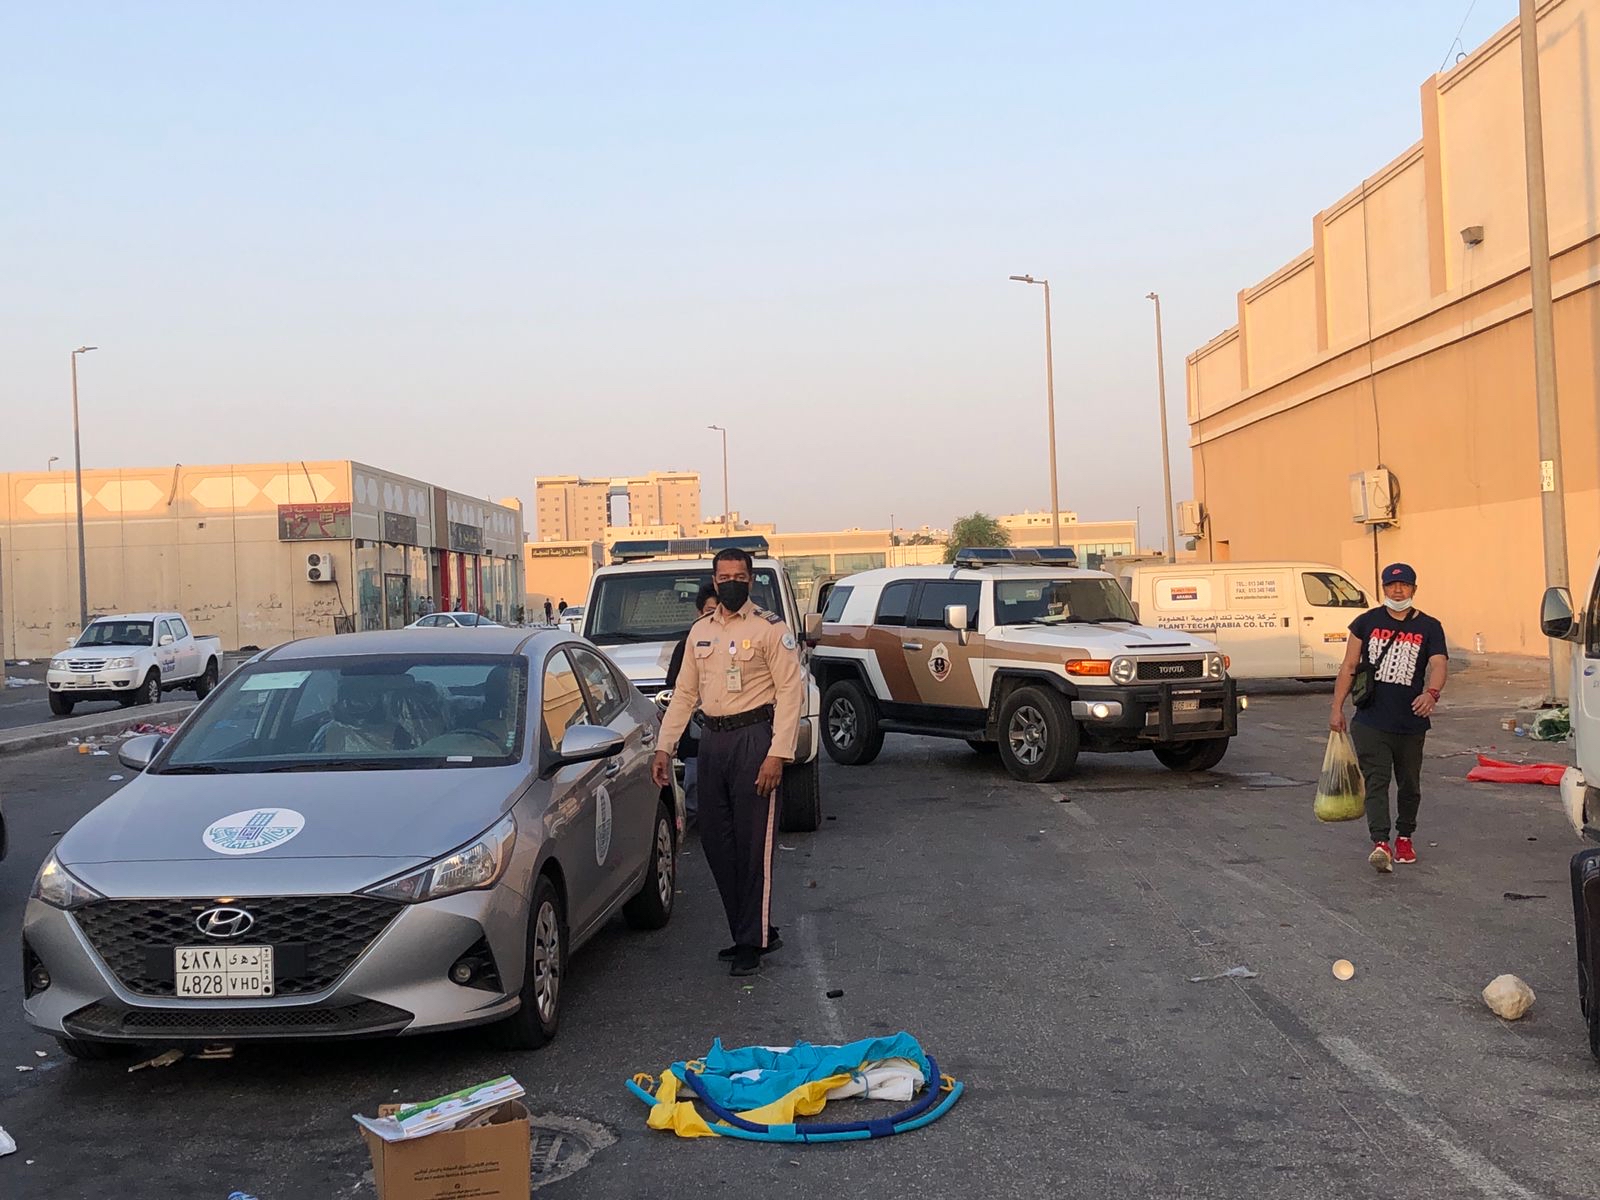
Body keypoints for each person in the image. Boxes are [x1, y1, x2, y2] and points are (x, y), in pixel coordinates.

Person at [653, 549, 806, 977]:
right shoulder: (700, 632)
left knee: (753, 845)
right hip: (712, 741)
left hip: (755, 740)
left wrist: (778, 754)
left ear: (751, 581)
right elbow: (685, 694)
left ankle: (749, 942)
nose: (732, 583)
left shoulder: (770, 629)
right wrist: (664, 747)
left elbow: (790, 693)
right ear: (715, 581)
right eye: (725, 577)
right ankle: (752, 929)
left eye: (740, 576)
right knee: (717, 843)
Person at [1330, 563, 1448, 873]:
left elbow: (1438, 664)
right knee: (1377, 781)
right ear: (1383, 588)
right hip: (1371, 720)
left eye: (1404, 585)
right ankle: (1380, 842)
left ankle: (1405, 836)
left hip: (1411, 721)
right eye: (1391, 585)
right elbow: (1349, 666)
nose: (1397, 590)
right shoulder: (1365, 622)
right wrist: (1337, 708)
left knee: (1409, 784)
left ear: (1414, 589)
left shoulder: (1430, 626)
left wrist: (1431, 693)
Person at [664, 582, 720, 826]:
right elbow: (678, 693)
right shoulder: (687, 645)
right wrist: (666, 743)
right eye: (709, 611)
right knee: (694, 786)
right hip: (696, 733)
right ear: (699, 613)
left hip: (733, 735)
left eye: (719, 611)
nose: (714, 617)